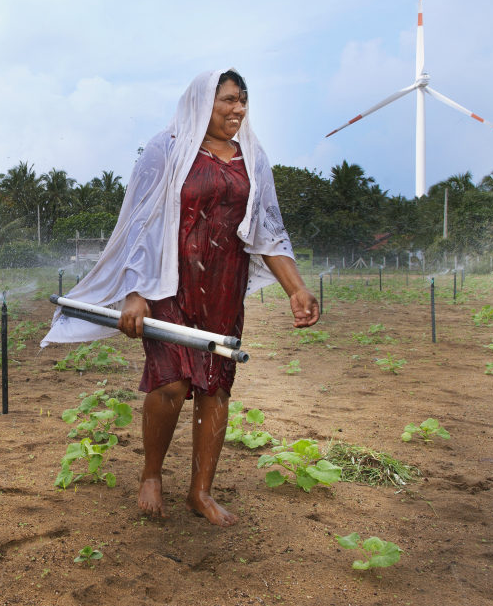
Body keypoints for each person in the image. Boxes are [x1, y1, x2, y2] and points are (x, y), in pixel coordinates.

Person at [42, 69, 319, 526]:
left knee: (215, 386)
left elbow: (268, 230)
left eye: (243, 100)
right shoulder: (166, 148)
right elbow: (141, 223)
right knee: (171, 382)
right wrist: (135, 292)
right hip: (169, 283)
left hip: (223, 290)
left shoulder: (252, 156)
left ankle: (201, 491)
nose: (239, 110)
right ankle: (152, 474)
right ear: (200, 103)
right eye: (228, 100)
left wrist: (297, 288)